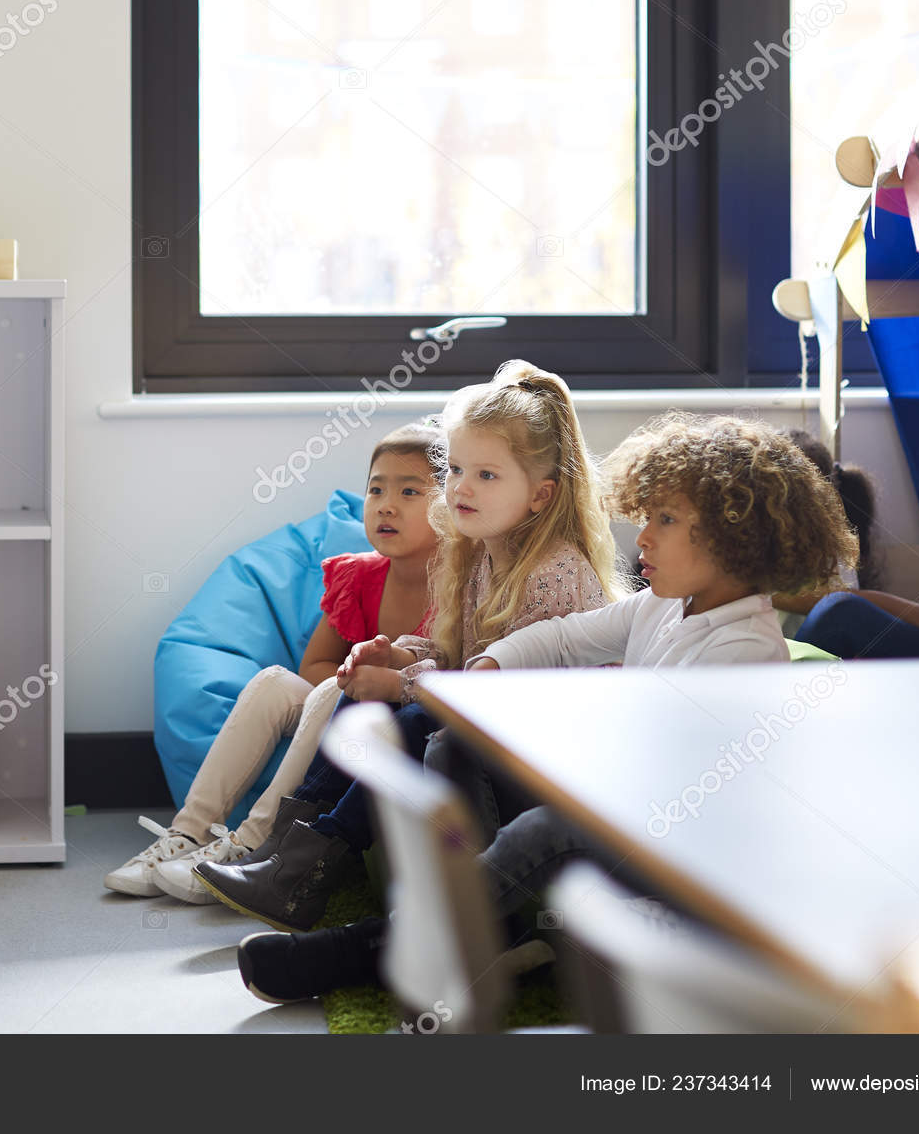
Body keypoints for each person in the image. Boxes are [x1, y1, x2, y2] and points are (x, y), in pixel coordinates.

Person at [234, 413, 859, 1003]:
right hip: (621, 809)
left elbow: (658, 771)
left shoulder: (743, 650)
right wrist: (486, 670)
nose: (640, 536)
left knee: (546, 829)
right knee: (454, 741)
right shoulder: (661, 605)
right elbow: (560, 637)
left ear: (734, 538)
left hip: (676, 849)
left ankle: (374, 949)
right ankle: (486, 931)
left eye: (664, 520)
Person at [195, 360, 626, 932]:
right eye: (457, 470)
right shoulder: (482, 557)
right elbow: (459, 655)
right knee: (364, 700)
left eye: (488, 476)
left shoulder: (553, 574)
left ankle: (305, 868)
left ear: (541, 495)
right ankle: (288, 858)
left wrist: (401, 682)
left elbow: (502, 694)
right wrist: (398, 656)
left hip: (545, 767)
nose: (462, 488)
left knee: (417, 717)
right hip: (493, 739)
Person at [104, 424, 438, 901]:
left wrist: (374, 684)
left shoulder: (461, 587)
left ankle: (253, 845)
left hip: (400, 728)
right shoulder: (358, 575)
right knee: (274, 681)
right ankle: (188, 834)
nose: (386, 504)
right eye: (376, 488)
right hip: (339, 710)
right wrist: (349, 680)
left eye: (409, 491)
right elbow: (315, 665)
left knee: (328, 692)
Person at [774, 428, 919, 658]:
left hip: (812, 651)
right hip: (779, 657)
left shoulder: (829, 548)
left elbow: (838, 603)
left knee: (839, 609)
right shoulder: (745, 544)